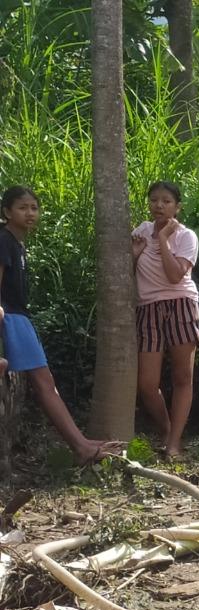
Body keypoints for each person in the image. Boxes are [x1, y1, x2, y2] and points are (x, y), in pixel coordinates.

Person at [0, 186, 119, 464]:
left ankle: (81, 444)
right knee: (44, 383)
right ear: (7, 212)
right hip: (10, 317)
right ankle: (81, 447)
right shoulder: (4, 240)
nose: (29, 213)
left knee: (45, 383)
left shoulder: (16, 242)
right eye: (22, 207)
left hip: (19, 317)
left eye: (34, 207)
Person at [132, 181, 199, 459]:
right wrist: (135, 254)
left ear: (177, 207)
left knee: (182, 377)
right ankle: (167, 429)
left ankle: (174, 444)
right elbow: (121, 271)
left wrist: (162, 239)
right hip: (148, 308)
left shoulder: (186, 237)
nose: (159, 206)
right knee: (147, 383)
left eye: (166, 201)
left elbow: (176, 276)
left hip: (181, 305)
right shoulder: (140, 231)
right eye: (154, 200)